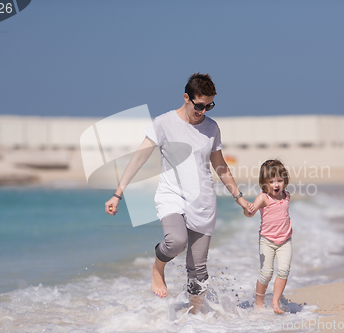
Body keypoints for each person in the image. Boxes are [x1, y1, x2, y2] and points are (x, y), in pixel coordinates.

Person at [105, 73, 251, 312]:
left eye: (209, 105)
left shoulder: (212, 128)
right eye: (200, 105)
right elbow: (139, 157)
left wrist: (240, 198)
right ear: (186, 98)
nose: (203, 111)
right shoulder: (164, 123)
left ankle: (194, 319)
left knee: (198, 272)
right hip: (171, 195)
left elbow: (220, 166)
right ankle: (157, 267)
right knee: (176, 242)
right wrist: (118, 193)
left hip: (203, 200)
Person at [244, 159, 293, 314]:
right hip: (267, 241)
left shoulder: (286, 195)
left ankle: (275, 302)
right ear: (264, 183)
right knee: (266, 273)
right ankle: (258, 302)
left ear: (285, 180)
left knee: (284, 270)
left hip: (285, 240)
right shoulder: (263, 198)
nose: (276, 185)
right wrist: (248, 209)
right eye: (271, 181)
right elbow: (249, 214)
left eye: (279, 180)